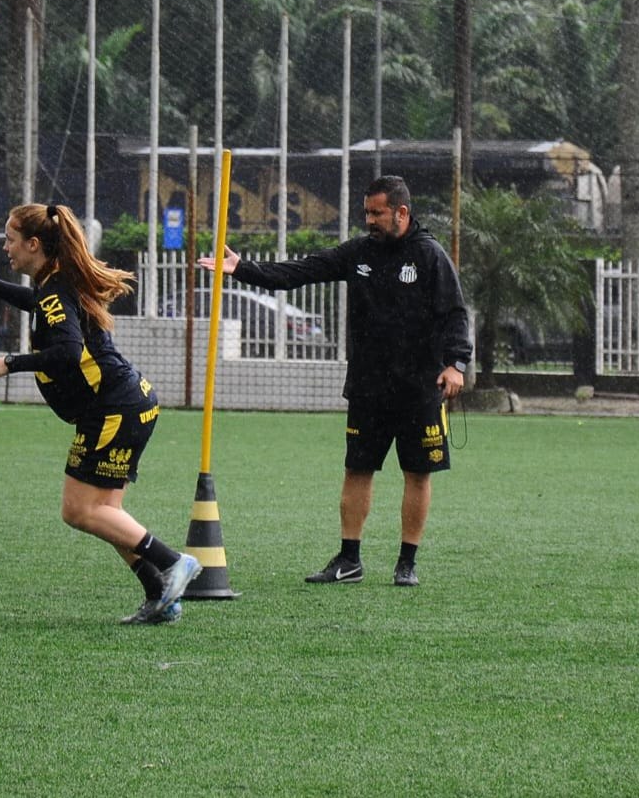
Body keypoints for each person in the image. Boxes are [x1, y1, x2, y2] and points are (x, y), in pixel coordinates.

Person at [198, 175, 472, 587]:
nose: (370, 220)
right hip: (368, 387)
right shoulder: (359, 253)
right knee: (357, 469)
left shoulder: (429, 256)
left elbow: (455, 313)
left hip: (419, 389)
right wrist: (243, 270)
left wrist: (456, 364)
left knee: (417, 473)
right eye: (366, 212)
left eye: (377, 213)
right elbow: (302, 271)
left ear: (401, 212)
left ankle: (406, 563)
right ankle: (349, 560)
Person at [0, 203, 201, 624]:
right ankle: (160, 595)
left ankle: (175, 563)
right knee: (106, 514)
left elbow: (67, 351)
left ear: (33, 244)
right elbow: (38, 303)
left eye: (10, 240)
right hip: (124, 404)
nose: (5, 247)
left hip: (113, 409)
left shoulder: (55, 287)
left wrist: (9, 363)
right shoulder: (56, 282)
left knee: (79, 510)